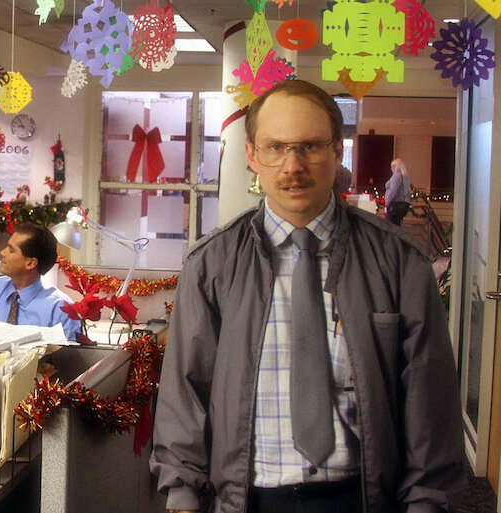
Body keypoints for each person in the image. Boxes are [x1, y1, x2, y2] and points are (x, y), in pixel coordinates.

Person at [150, 80, 465, 513]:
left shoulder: (400, 261)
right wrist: (183, 494)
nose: (292, 166)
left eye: (310, 146)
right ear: (252, 155)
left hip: (365, 499)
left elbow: (430, 402)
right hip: (248, 500)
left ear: (338, 151)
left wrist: (427, 504)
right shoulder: (211, 264)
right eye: (275, 147)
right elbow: (186, 390)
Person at [385, 158, 413, 226]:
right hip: (404, 204)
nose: (391, 168)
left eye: (392, 166)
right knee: (397, 224)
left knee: (390, 225)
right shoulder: (406, 177)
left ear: (396, 167)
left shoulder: (396, 176)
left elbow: (393, 190)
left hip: (395, 204)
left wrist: (387, 201)